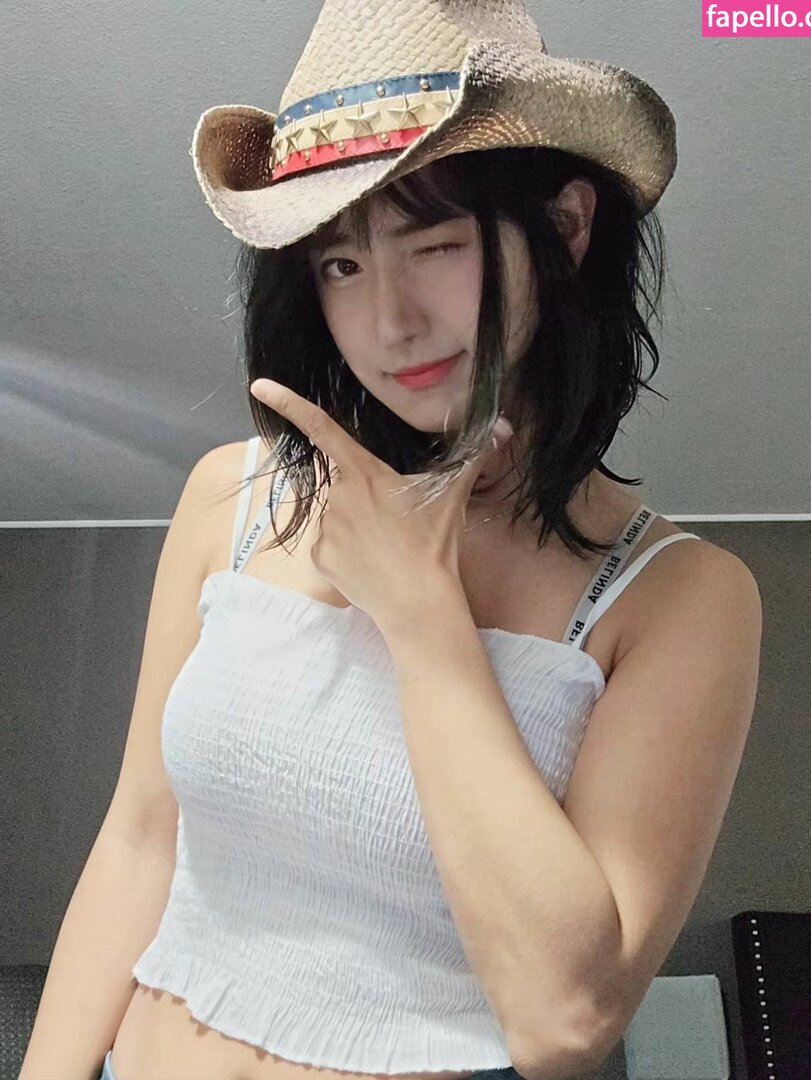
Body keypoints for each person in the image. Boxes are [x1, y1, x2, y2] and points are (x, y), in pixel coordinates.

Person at [20, 2, 763, 1079]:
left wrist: (423, 621)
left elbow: (564, 1023)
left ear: (565, 227)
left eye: (437, 244)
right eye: (341, 265)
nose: (390, 322)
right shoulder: (233, 497)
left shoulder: (674, 598)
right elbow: (140, 838)